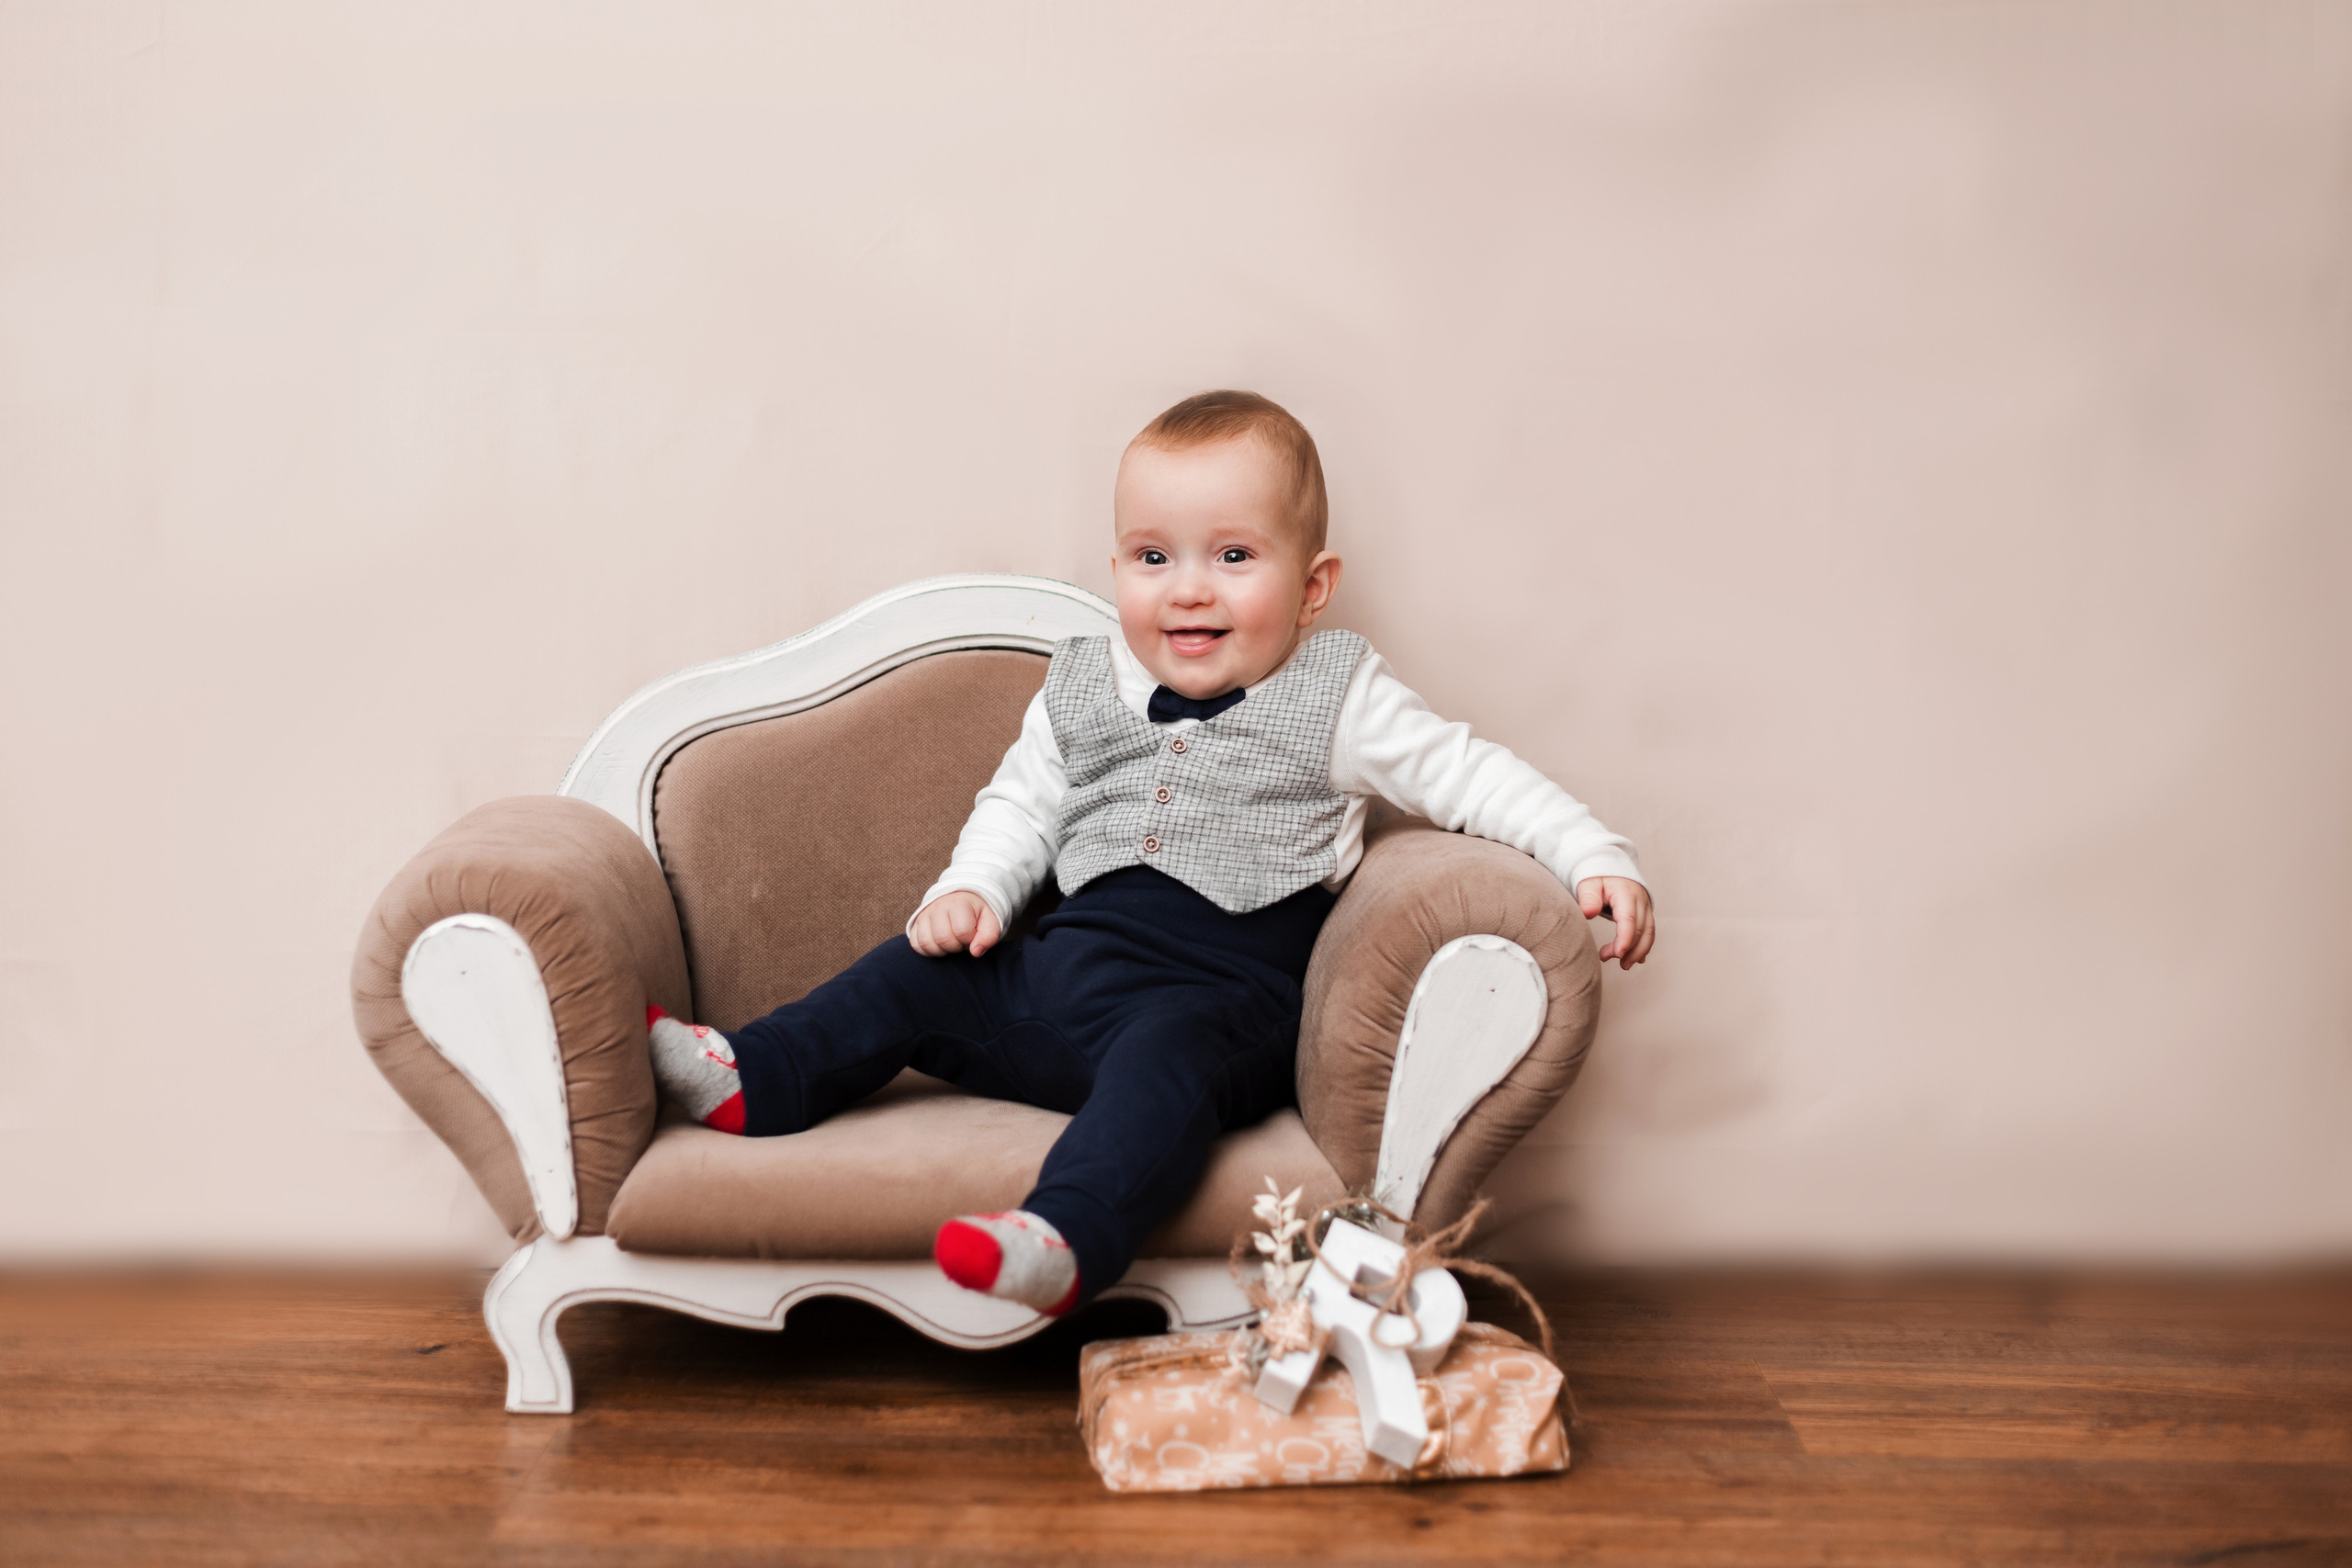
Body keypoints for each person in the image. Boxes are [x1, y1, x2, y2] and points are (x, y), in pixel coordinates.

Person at [646, 389, 1655, 1316]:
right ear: (1119, 566)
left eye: (1232, 557)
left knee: (1165, 1066)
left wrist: (1588, 854)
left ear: (1312, 588)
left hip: (1215, 1002)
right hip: (1054, 979)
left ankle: (1061, 1235)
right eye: (1153, 558)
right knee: (916, 971)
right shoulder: (1083, 684)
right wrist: (972, 891)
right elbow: (1020, 806)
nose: (1187, 593)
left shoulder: (1338, 695)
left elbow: (1471, 776)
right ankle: (758, 1077)